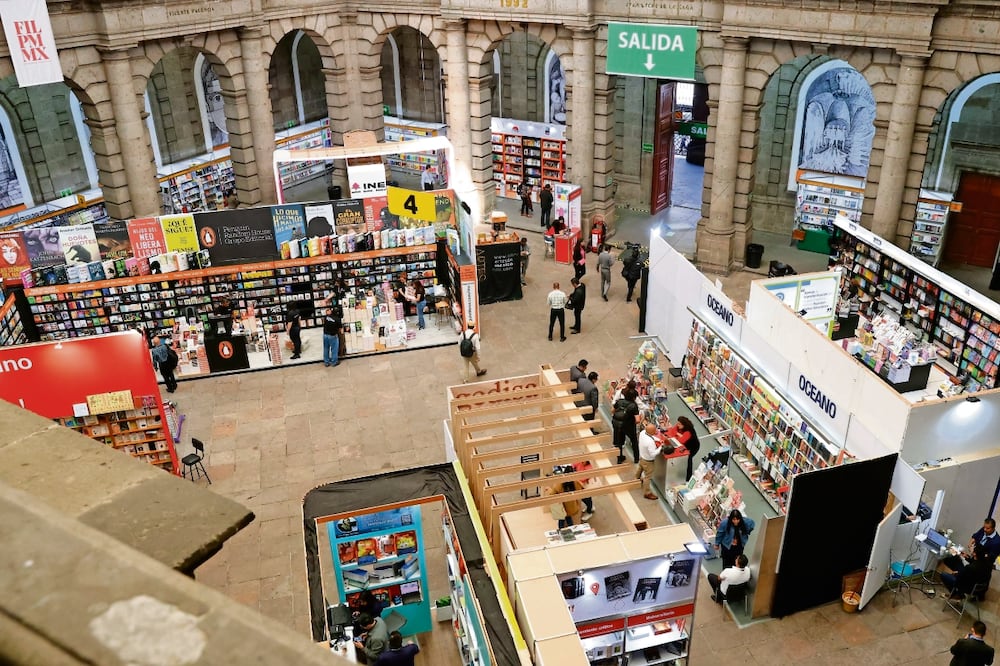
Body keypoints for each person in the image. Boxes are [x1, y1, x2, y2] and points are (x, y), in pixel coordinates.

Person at [665, 416, 701, 481]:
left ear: (684, 425)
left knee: (688, 459)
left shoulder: (688, 432)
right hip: (685, 445)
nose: (677, 425)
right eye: (678, 423)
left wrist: (677, 435)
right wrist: (678, 434)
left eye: (679, 424)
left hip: (692, 447)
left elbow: (680, 441)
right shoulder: (680, 425)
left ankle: (688, 477)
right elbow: (673, 430)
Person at [611, 388, 641, 464]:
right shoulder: (633, 405)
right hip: (628, 426)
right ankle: (636, 459)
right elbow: (637, 420)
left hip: (617, 424)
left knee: (619, 442)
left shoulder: (619, 401)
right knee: (634, 441)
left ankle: (620, 458)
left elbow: (612, 411)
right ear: (634, 397)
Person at [636, 422, 661, 500]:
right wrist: (661, 447)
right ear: (652, 432)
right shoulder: (650, 443)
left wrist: (659, 439)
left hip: (642, 457)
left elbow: (652, 437)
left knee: (640, 468)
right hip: (648, 461)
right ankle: (647, 493)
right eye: (655, 430)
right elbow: (653, 454)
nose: (656, 430)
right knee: (648, 477)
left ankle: (636, 478)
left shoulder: (643, 432)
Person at [321, 291, 343, 367]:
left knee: (326, 349)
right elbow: (340, 330)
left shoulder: (327, 316)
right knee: (334, 349)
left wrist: (326, 300)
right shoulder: (338, 319)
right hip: (333, 336)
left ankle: (326, 362)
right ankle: (334, 362)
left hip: (325, 335)